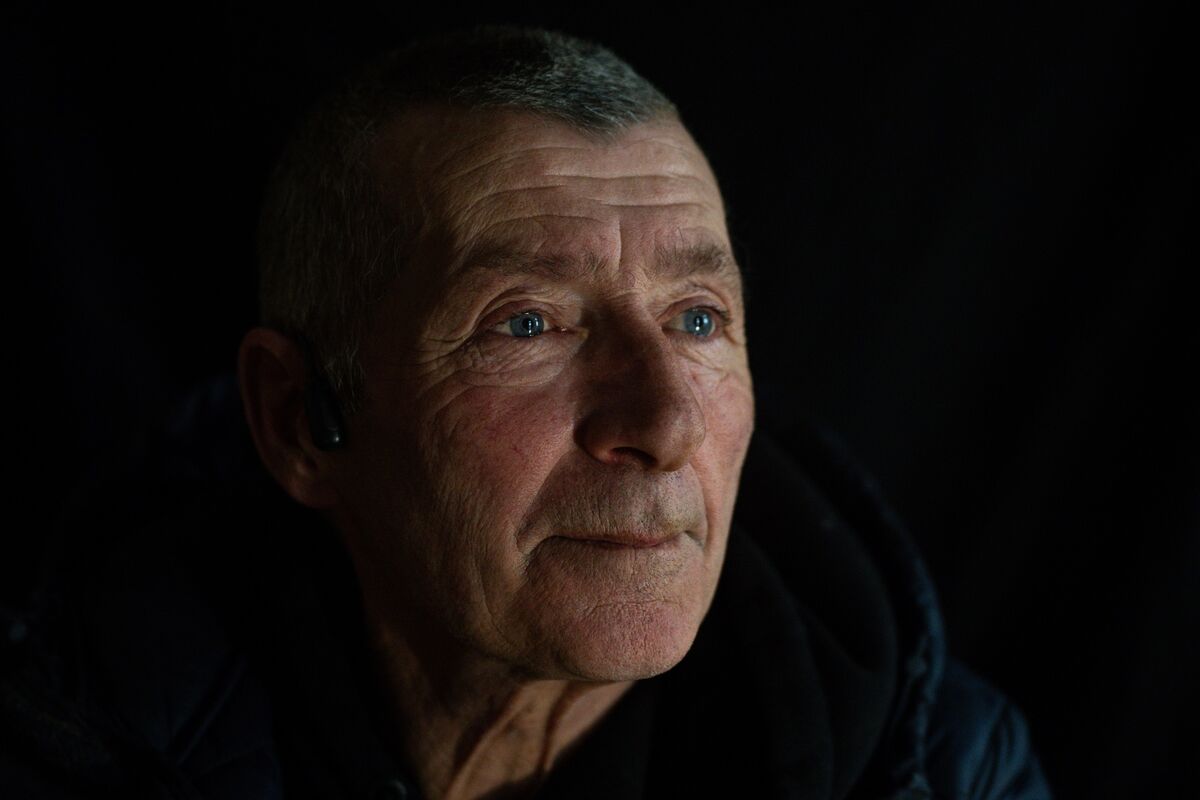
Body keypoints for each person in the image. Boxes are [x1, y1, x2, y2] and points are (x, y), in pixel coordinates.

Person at [0, 26, 1051, 800]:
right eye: (528, 324)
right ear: (295, 418)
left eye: (696, 317)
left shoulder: (954, 768)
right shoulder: (66, 739)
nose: (666, 422)